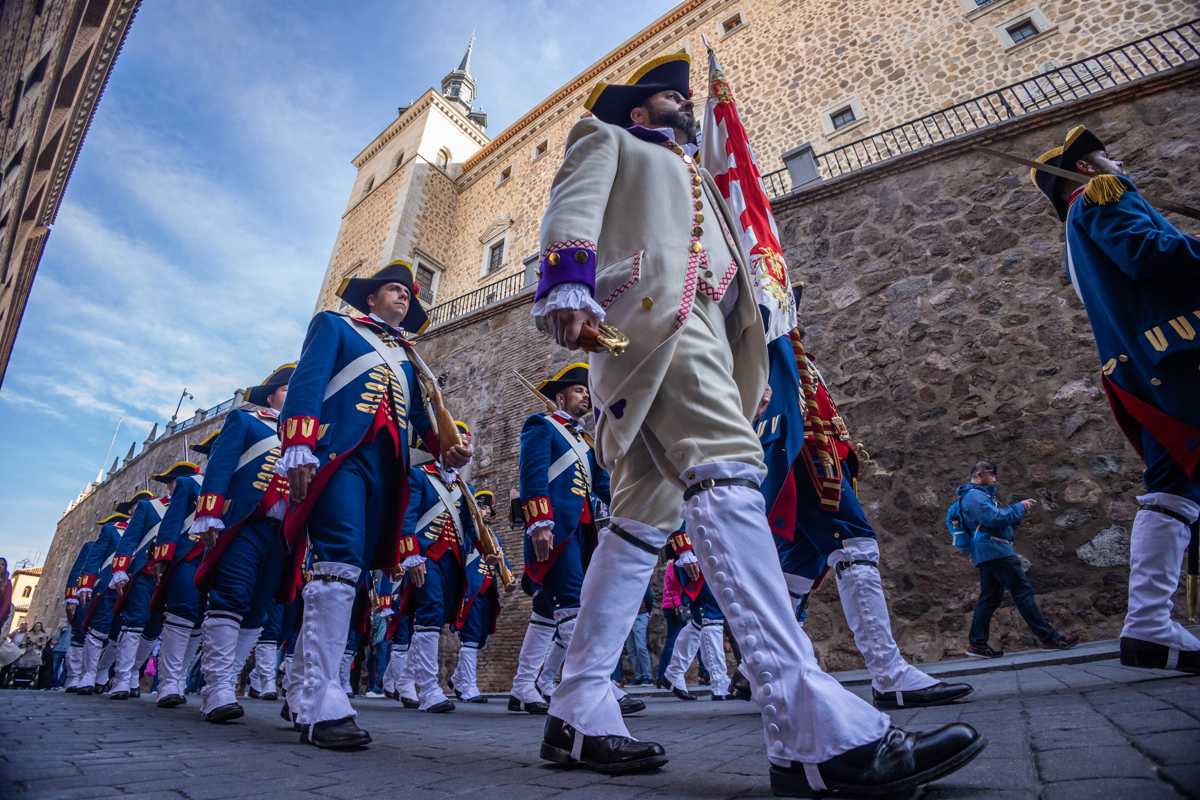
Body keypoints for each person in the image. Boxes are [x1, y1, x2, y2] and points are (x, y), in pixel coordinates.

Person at [532, 52, 983, 793]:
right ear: (639, 113)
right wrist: (567, 283)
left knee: (641, 520)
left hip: (708, 335)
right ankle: (810, 725)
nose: (684, 103)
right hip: (652, 325)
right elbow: (570, 207)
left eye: (685, 96)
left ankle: (577, 706)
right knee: (727, 469)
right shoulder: (608, 141)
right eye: (670, 98)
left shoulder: (700, 176)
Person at [277, 259, 471, 748]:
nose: (404, 297)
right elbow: (308, 383)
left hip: (383, 472)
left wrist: (446, 446)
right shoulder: (336, 326)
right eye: (394, 290)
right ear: (371, 298)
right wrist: (298, 443)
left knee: (349, 569)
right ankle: (323, 699)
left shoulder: (409, 360)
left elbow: (418, 420)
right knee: (339, 561)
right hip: (339, 455)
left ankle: (300, 685)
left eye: (409, 294)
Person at [1032, 124, 1200, 673]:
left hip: (1150, 363)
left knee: (1174, 485)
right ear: (1085, 168)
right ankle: (1149, 624)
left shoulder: (1079, 226)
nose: (1118, 163)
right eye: (1108, 157)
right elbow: (1149, 256)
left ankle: (1150, 625)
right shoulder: (1105, 196)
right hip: (1178, 355)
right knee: (1174, 484)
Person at [757, 350, 974, 709]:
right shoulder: (771, 335)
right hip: (801, 443)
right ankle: (888, 674)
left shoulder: (788, 340)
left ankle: (760, 670)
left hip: (814, 442)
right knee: (853, 542)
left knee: (799, 565)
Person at [191, 363, 294, 722]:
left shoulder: (305, 436)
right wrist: (209, 513)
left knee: (259, 608)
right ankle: (216, 688)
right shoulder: (247, 422)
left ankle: (228, 678)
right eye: (287, 389)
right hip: (244, 523)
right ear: (272, 395)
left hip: (282, 532)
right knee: (232, 596)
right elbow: (220, 467)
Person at [516, 363, 611, 703]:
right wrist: (539, 523)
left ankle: (525, 685)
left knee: (545, 611)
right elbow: (532, 476)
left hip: (582, 532)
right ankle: (594, 682)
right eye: (578, 390)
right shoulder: (541, 426)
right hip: (555, 529)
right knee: (572, 602)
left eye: (587, 391)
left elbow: (602, 487)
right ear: (560, 396)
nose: (585, 396)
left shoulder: (584, 443)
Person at [395, 423, 479, 713]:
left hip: (452, 561)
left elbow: (471, 528)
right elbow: (406, 518)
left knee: (438, 618)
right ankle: (429, 688)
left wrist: (487, 552)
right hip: (426, 556)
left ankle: (406, 679)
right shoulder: (419, 477)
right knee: (429, 613)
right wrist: (411, 555)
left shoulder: (464, 489)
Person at [957, 461, 1077, 656]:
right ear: (979, 474)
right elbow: (993, 519)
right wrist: (1018, 508)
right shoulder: (974, 496)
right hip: (996, 550)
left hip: (989, 551)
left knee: (990, 598)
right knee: (1023, 592)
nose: (996, 478)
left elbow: (998, 522)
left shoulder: (978, 496)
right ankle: (1050, 639)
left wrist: (1016, 515)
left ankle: (977, 643)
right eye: (992, 474)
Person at [105, 479, 174, 700]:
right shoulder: (150, 507)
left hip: (167, 576)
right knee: (135, 620)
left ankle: (134, 671)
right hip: (144, 571)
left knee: (153, 628)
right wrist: (120, 569)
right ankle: (122, 677)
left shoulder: (189, 507)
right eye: (173, 482)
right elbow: (130, 539)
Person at [75, 500, 141, 693]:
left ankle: (104, 671)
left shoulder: (148, 531)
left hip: (133, 586)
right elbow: (95, 557)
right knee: (99, 628)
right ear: (131, 511)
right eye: (138, 506)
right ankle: (88, 674)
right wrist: (86, 583)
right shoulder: (112, 530)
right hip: (108, 585)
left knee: (119, 634)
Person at [450, 489, 508, 704]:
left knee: (480, 636)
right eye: (480, 507)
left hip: (488, 590)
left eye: (486, 508)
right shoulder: (466, 533)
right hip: (471, 590)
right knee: (471, 637)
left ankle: (458, 679)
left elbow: (503, 563)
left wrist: (507, 579)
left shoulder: (494, 537)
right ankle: (469, 688)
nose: (484, 511)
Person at [62, 538, 94, 692]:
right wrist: (71, 597)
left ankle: (90, 676)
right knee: (79, 635)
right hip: (85, 595)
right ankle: (74, 676)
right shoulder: (91, 546)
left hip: (106, 595)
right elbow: (77, 572)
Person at [655, 559, 686, 688]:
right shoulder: (676, 565)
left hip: (670, 606)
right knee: (674, 640)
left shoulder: (670, 565)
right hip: (676, 607)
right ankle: (663, 675)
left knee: (673, 640)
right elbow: (679, 585)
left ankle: (661, 675)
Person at [622, 584, 655, 686]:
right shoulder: (623, 582)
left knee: (640, 646)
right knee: (631, 648)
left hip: (640, 615)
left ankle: (648, 677)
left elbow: (649, 597)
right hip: (627, 617)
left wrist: (647, 611)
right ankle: (638, 676)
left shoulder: (641, 578)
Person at [51, 624, 70, 688]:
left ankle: (60, 684)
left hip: (69, 650)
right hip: (58, 649)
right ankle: (54, 684)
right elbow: (54, 638)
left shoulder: (78, 626)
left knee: (66, 668)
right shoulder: (64, 625)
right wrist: (59, 629)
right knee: (54, 668)